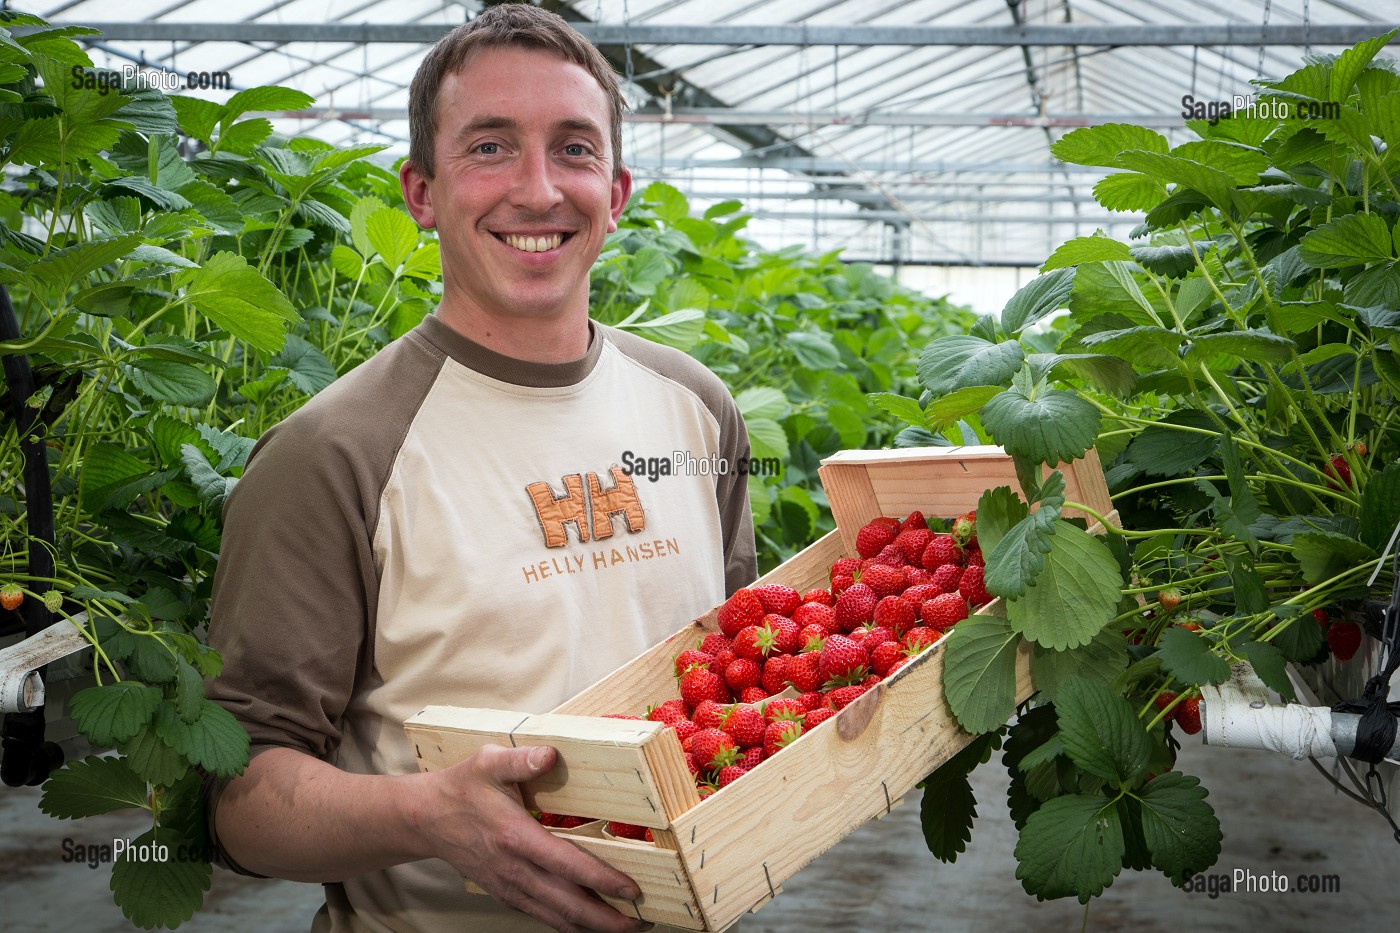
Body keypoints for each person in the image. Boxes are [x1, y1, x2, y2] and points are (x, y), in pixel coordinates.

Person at [203, 6, 757, 933]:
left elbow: (742, 669)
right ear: (421, 191)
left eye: (574, 149)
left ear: (616, 193)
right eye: (491, 147)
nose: (538, 190)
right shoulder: (333, 454)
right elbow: (238, 800)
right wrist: (428, 816)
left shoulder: (697, 410)